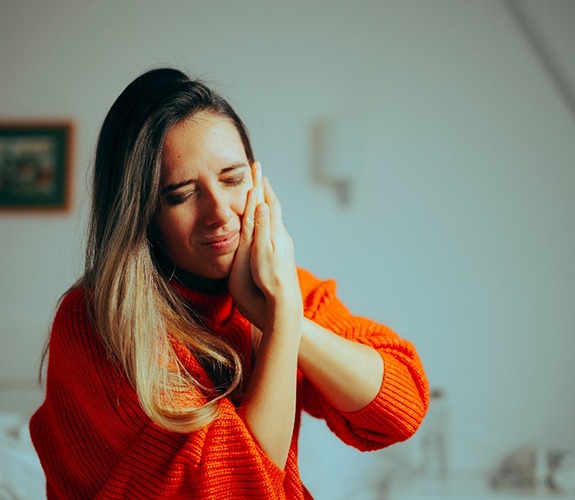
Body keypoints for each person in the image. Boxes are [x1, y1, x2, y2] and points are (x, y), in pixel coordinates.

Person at [30, 67, 429, 499]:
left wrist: (283, 313)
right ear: (140, 214)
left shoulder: (276, 289)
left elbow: (399, 409)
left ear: (259, 183)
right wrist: (280, 324)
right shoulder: (96, 323)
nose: (220, 211)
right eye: (181, 194)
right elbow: (239, 488)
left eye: (233, 179)